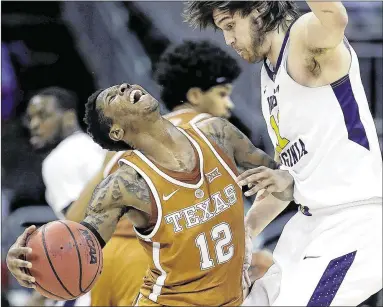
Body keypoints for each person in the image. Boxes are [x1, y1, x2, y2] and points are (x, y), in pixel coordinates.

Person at [7, 82, 294, 306]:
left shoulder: (215, 132)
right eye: (112, 97)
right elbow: (78, 246)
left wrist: (249, 227)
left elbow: (283, 183)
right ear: (116, 131)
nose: (122, 87)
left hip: (237, 298)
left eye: (123, 86)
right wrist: (29, 263)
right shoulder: (124, 185)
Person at [184, 1, 383, 305]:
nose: (228, 40)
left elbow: (335, 17)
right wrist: (246, 234)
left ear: (260, 10)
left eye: (229, 26)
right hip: (305, 227)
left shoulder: (303, 39)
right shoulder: (268, 77)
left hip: (352, 224)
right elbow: (288, 179)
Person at [65, 40, 261, 306]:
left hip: (136, 263)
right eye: (222, 94)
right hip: (141, 263)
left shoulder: (131, 149)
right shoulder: (204, 130)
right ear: (195, 96)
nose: (229, 105)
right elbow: (82, 226)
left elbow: (73, 220)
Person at [22, 87, 105, 306]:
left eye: (43, 115)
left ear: (68, 116)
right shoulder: (95, 147)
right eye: (30, 118)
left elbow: (81, 230)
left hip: (95, 274)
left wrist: (41, 293)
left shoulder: (61, 158)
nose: (34, 125)